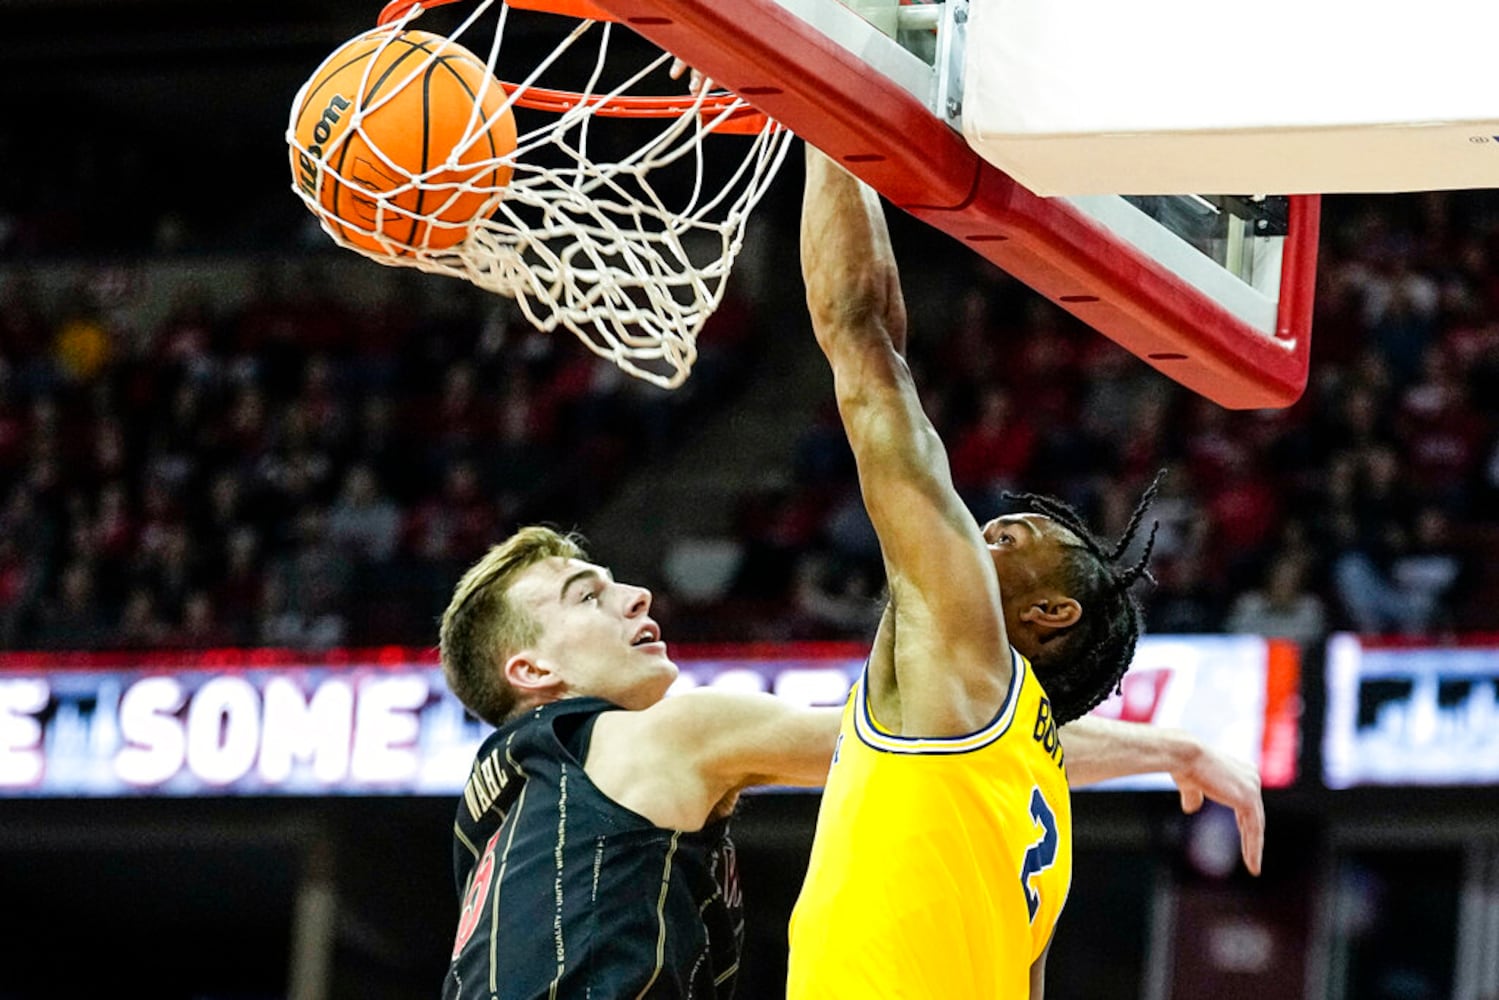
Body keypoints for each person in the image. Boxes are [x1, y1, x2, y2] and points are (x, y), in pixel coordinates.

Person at [784, 146, 1185, 999]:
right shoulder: (1037, 791)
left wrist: (817, 117)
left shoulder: (967, 654)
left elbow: (864, 347)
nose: (988, 527)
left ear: (1050, 613)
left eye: (1017, 539)